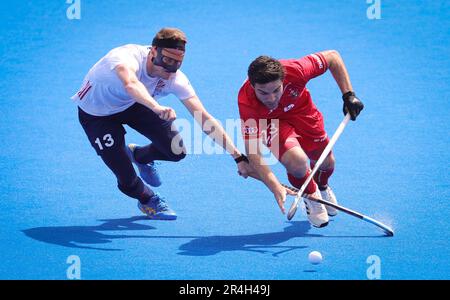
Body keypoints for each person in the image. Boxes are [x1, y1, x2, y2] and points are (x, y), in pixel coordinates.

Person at [72, 28, 251, 220]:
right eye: (167, 60)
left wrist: (238, 157)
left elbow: (204, 118)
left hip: (135, 104)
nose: (171, 68)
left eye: (177, 63)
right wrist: (156, 107)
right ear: (153, 51)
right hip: (97, 114)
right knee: (126, 180)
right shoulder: (124, 57)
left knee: (176, 151)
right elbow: (131, 84)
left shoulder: (176, 78)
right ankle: (148, 198)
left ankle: (140, 156)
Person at [237, 51, 364, 228]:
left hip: (303, 113)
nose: (271, 98)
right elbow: (252, 151)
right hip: (271, 123)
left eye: (276, 90)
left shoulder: (297, 70)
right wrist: (274, 185)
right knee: (297, 161)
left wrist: (348, 94)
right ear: (252, 86)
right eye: (263, 93)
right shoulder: (246, 102)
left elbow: (333, 57)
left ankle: (323, 187)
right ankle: (312, 196)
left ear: (283, 81)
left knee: (326, 163)